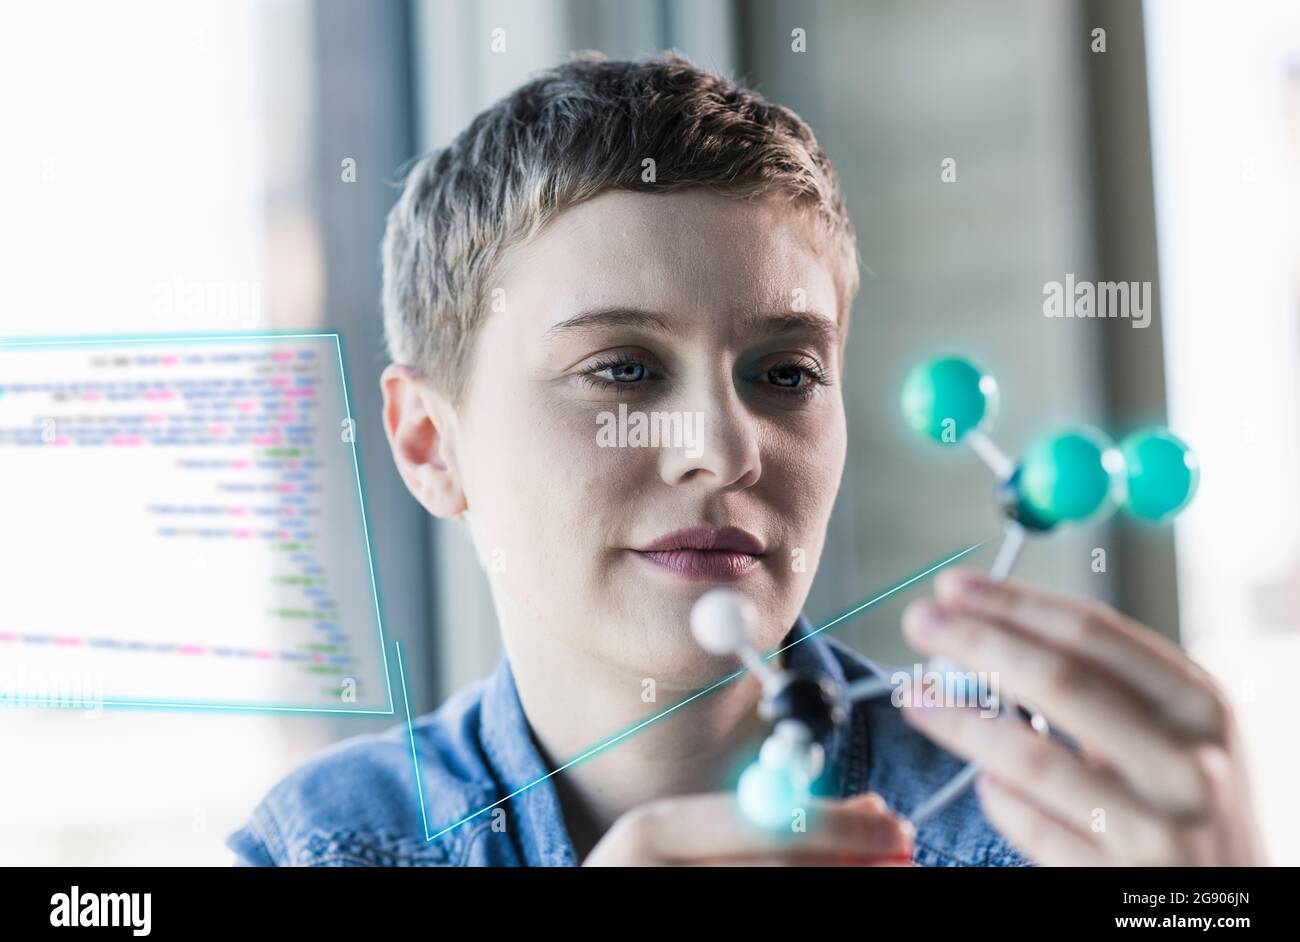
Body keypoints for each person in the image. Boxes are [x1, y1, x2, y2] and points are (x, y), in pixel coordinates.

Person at [227, 52, 1265, 867]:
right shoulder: (323, 845)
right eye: (624, 370)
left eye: (784, 373)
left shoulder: (1043, 817)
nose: (723, 448)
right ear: (428, 443)